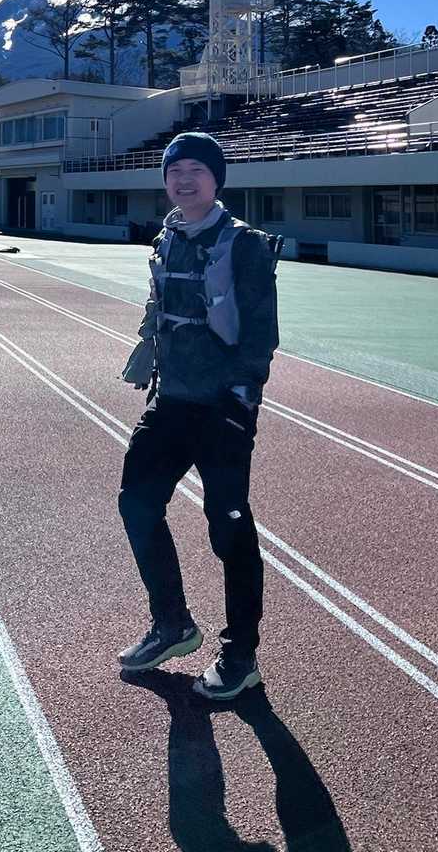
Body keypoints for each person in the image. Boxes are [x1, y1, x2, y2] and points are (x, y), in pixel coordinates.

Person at [117, 131, 280, 700]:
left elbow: (260, 333)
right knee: (137, 503)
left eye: (196, 171)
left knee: (228, 527)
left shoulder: (245, 244)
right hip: (172, 400)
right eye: (175, 171)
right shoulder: (167, 237)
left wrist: (241, 400)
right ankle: (172, 623)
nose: (184, 181)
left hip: (222, 408)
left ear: (216, 180)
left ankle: (240, 655)